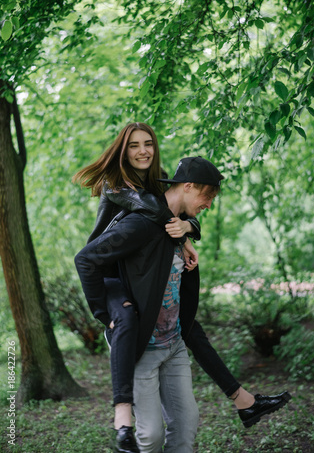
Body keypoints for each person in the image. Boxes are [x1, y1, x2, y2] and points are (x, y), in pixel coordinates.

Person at [74, 134, 291, 451]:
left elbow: (179, 225)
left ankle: (245, 403)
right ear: (187, 186)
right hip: (142, 349)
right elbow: (86, 259)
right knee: (151, 437)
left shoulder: (179, 224)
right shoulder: (140, 222)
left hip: (173, 345)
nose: (210, 204)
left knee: (186, 429)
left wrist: (188, 229)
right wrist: (103, 315)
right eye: (208, 195)